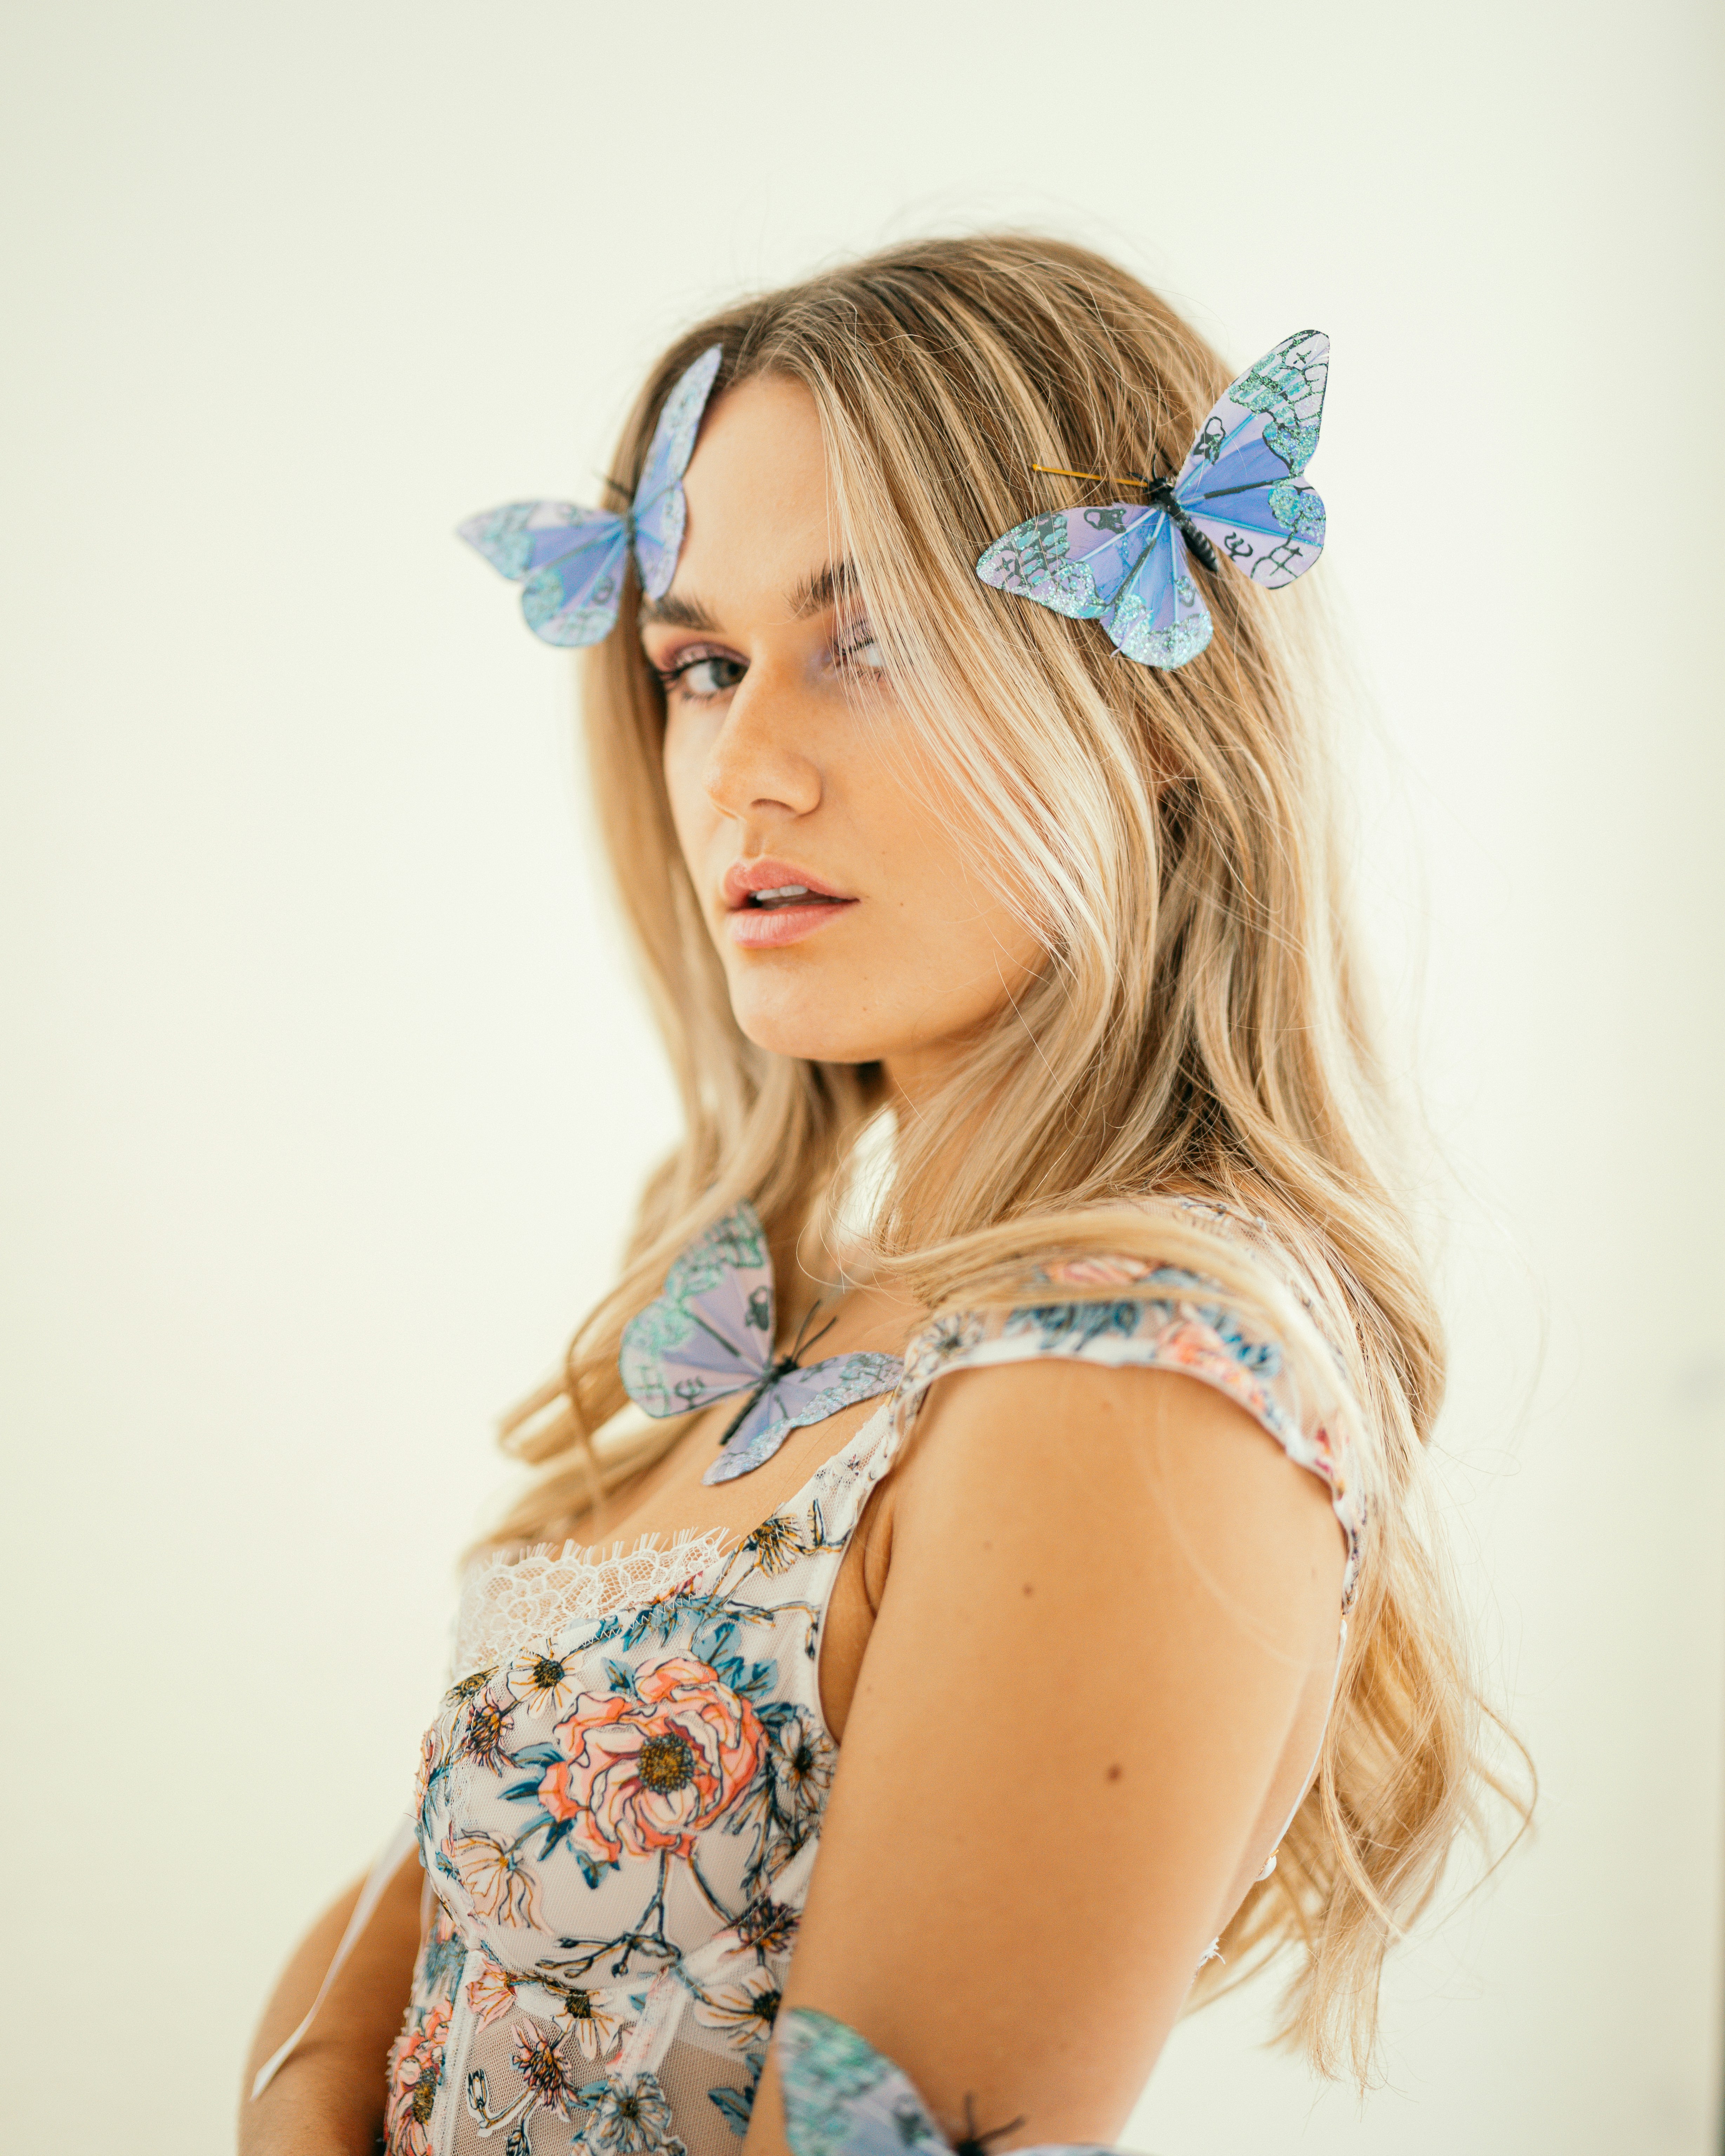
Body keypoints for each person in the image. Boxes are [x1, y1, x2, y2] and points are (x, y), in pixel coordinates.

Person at [240, 234, 1512, 2156]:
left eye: (875, 638)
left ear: (1156, 708)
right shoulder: (821, 1316)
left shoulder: (1124, 1385)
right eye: (699, 662)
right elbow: (381, 1980)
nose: (744, 768)